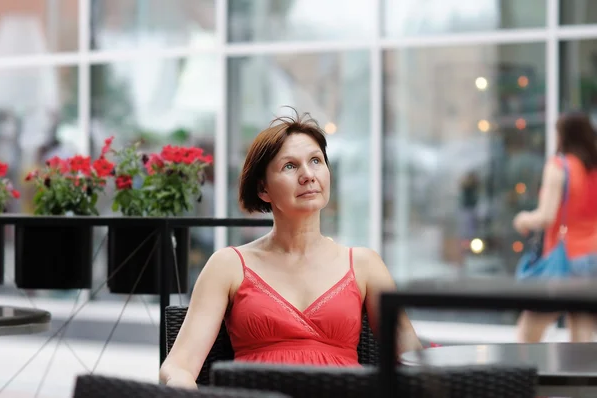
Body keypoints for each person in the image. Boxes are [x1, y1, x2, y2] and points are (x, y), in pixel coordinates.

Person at [159, 110, 423, 389]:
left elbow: (412, 359)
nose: (308, 175)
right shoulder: (228, 265)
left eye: (316, 161)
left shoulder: (364, 264)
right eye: (289, 166)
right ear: (263, 189)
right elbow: (178, 365)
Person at [513, 112, 597, 343]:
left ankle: (527, 379)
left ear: (563, 135)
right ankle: (582, 381)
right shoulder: (593, 168)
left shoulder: (559, 166)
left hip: (565, 257)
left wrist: (523, 219)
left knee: (528, 333)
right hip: (592, 257)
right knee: (582, 339)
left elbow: (546, 216)